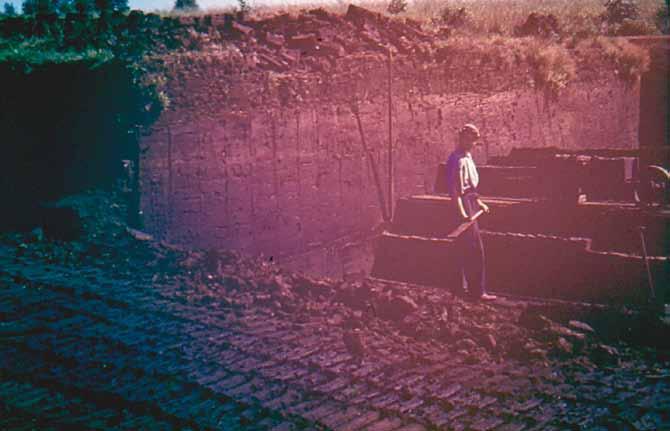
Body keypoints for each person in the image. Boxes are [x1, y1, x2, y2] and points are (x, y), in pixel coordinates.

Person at [445, 123, 496, 301]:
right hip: (462, 206)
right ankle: (476, 292)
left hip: (470, 203)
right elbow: (455, 192)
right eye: (471, 139)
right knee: (474, 250)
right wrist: (462, 214)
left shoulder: (467, 157)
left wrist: (479, 203)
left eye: (475, 140)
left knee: (463, 249)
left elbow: (469, 189)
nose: (474, 143)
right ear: (463, 138)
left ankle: (459, 290)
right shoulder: (456, 160)